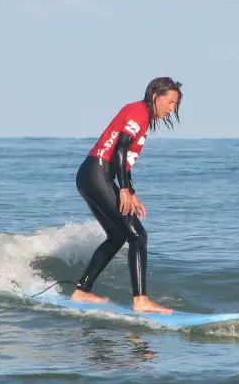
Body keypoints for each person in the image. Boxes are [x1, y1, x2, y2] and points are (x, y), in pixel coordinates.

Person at [70, 77, 182, 314]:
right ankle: (140, 299)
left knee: (117, 236)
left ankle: (82, 290)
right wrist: (124, 190)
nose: (172, 108)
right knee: (138, 236)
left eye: (175, 104)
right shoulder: (138, 112)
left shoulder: (140, 114)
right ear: (156, 96)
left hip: (92, 176)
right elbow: (120, 151)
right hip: (97, 174)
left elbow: (124, 162)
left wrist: (132, 192)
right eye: (170, 102)